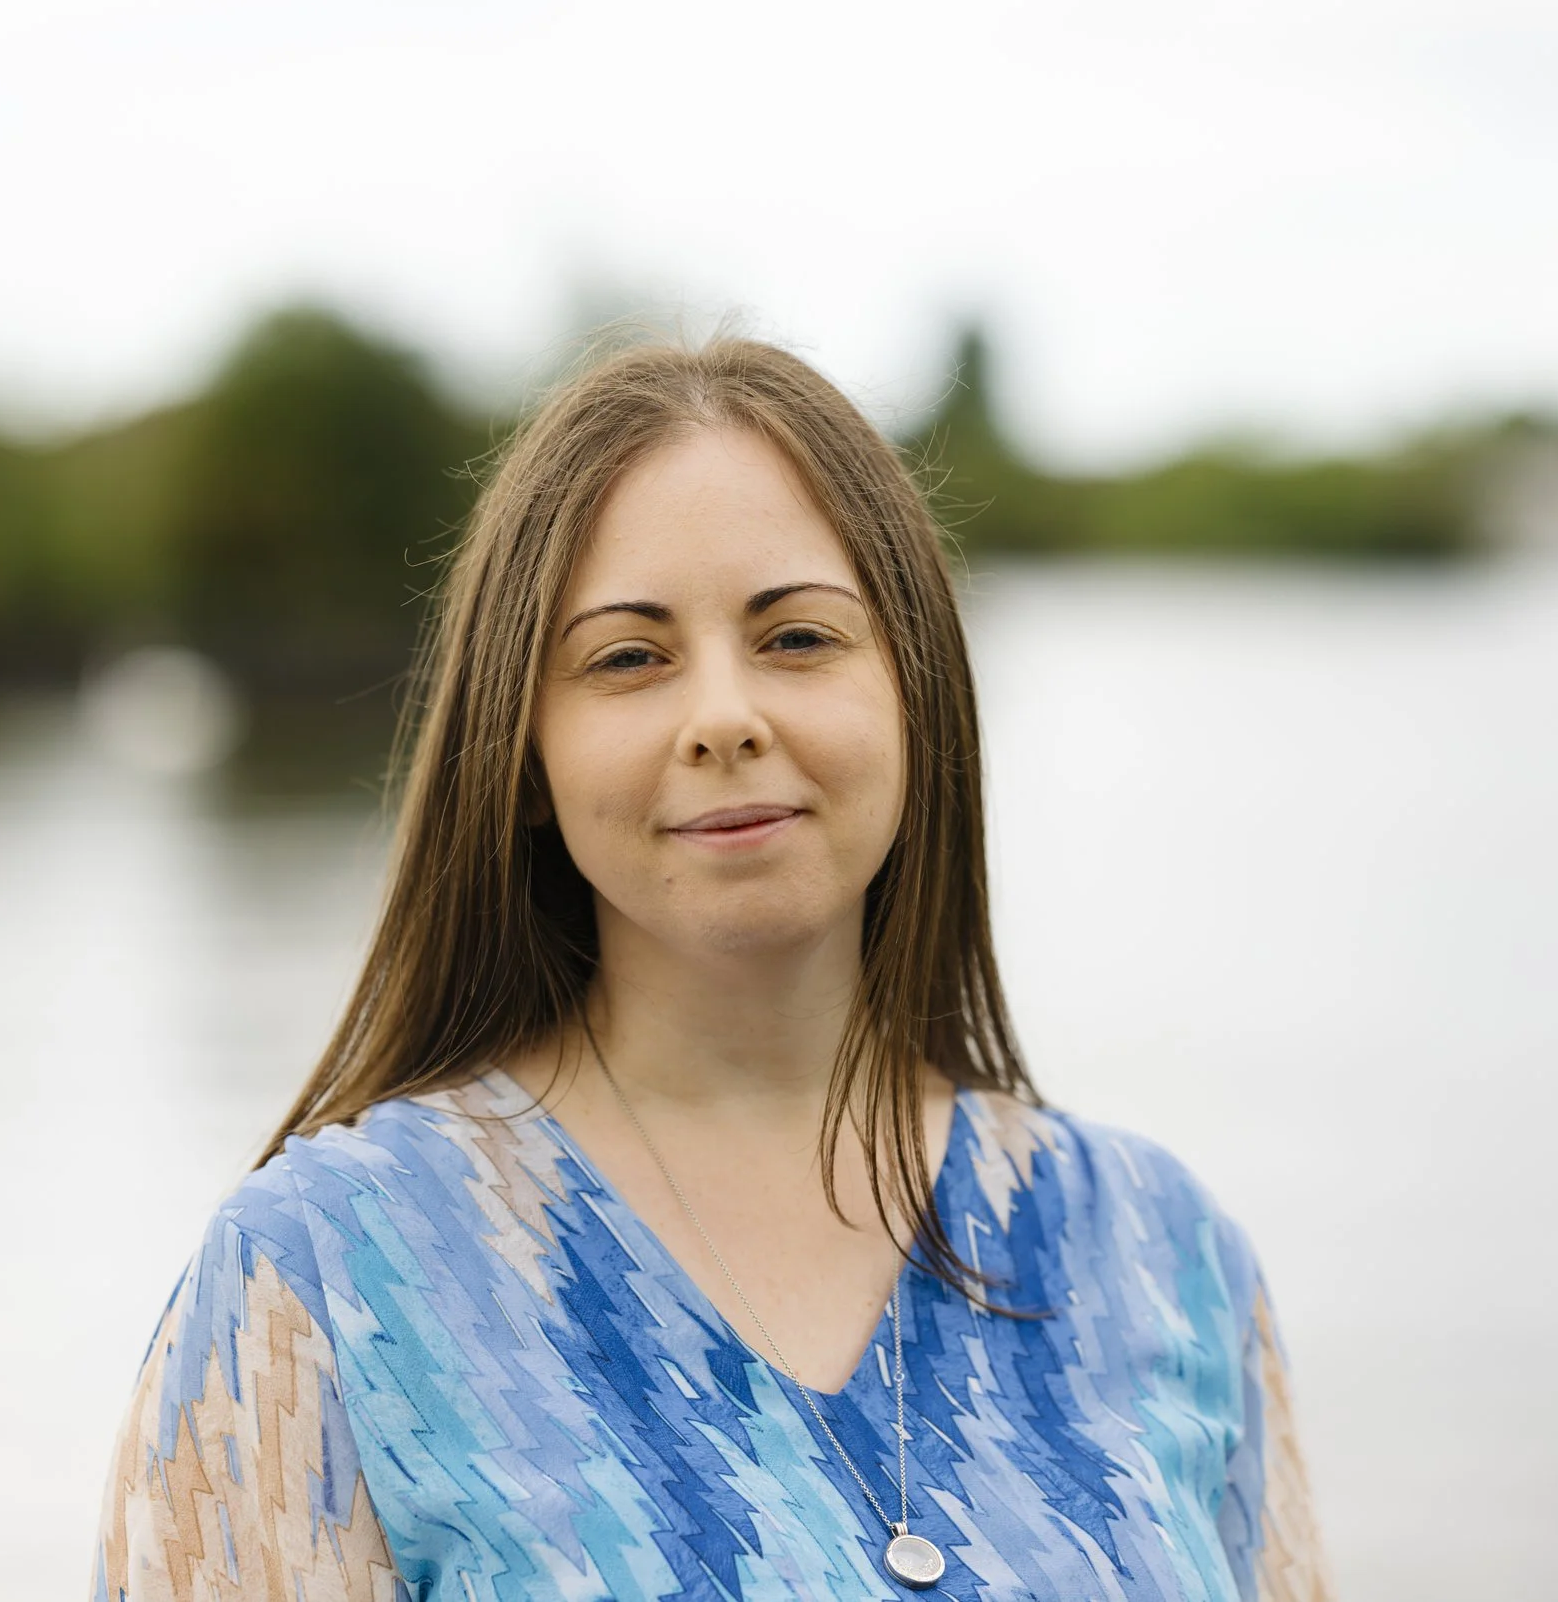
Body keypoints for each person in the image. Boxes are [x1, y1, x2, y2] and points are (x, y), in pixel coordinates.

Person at [90, 333, 1336, 1601]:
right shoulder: (326, 1276)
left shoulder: (1158, 1250)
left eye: (797, 637)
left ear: (916, 696)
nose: (725, 715)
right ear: (523, 756)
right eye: (629, 657)